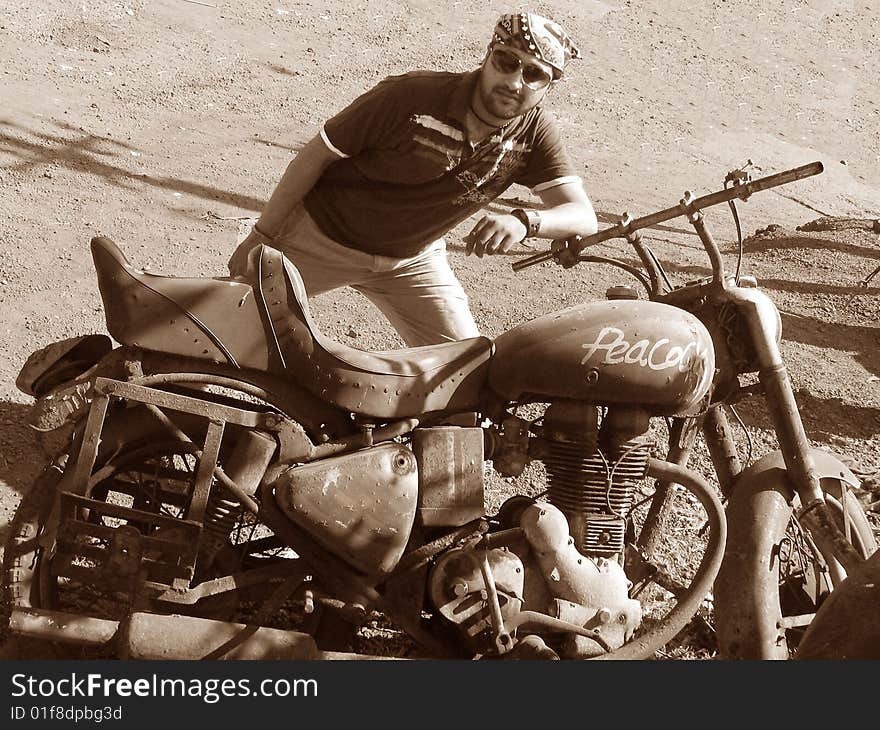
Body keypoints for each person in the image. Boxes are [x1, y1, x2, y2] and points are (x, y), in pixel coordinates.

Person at [228, 11, 598, 347]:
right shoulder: (411, 96)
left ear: (549, 86)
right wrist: (262, 236)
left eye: (534, 74)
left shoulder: (533, 133)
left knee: (462, 370)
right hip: (322, 240)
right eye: (507, 62)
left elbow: (582, 215)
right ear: (488, 56)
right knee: (220, 328)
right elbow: (317, 154)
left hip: (412, 261)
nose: (515, 82)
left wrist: (525, 221)